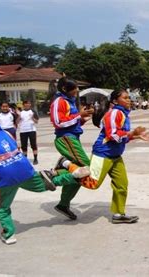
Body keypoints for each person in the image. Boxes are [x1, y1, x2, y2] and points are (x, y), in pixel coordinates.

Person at [0, 110, 88, 244]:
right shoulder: (6, 132)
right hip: (23, 169)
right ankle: (72, 175)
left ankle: (9, 235)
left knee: (2, 208)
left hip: (4, 177)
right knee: (46, 185)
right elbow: (14, 147)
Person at [91, 89, 149, 223]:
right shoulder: (115, 113)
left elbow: (121, 137)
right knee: (93, 184)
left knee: (122, 184)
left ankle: (118, 214)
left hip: (115, 156)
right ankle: (66, 168)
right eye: (125, 98)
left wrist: (135, 136)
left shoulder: (123, 114)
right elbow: (112, 136)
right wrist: (131, 134)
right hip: (103, 154)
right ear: (115, 101)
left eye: (129, 98)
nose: (128, 100)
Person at [50, 77, 95, 220]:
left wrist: (82, 118)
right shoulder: (59, 102)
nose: (77, 91)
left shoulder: (69, 101)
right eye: (74, 88)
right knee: (86, 167)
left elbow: (72, 121)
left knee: (80, 174)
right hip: (66, 139)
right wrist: (78, 116)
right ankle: (57, 171)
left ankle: (63, 204)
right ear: (64, 89)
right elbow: (58, 123)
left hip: (72, 138)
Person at [19, 100, 40, 165]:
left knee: (33, 144)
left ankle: (35, 158)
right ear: (23, 105)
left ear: (30, 104)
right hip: (23, 130)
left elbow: (36, 121)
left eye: (28, 103)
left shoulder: (33, 111)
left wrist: (32, 117)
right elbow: (17, 122)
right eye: (26, 104)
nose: (27, 105)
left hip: (32, 130)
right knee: (24, 145)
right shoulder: (21, 112)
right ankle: (25, 159)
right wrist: (18, 116)